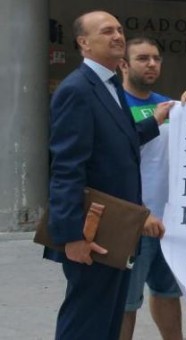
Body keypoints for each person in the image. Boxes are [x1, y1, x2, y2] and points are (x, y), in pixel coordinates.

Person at [46, 11, 166, 339]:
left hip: (118, 229)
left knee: (108, 321)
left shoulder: (110, 84)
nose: (117, 36)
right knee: (85, 322)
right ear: (84, 43)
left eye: (119, 29)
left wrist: (154, 123)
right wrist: (72, 237)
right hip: (91, 231)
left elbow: (116, 141)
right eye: (106, 31)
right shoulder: (77, 90)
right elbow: (67, 168)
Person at [118, 37, 186, 340]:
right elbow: (115, 152)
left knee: (167, 293)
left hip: (169, 222)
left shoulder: (171, 104)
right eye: (142, 58)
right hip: (131, 222)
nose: (152, 64)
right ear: (123, 64)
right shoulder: (113, 105)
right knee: (124, 303)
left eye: (156, 58)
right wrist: (155, 120)